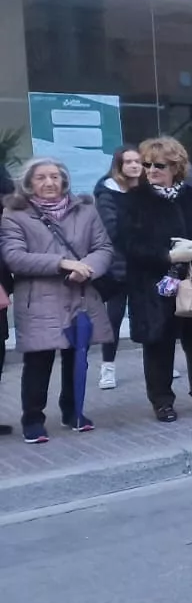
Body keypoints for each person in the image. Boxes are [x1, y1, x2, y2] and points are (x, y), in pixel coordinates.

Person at [1, 158, 116, 443]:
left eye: (55, 176)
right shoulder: (14, 215)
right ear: (29, 183)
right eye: (41, 177)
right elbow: (15, 257)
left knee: (76, 358)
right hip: (39, 299)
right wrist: (64, 264)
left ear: (64, 181)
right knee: (38, 361)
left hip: (80, 294)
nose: (49, 182)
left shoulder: (86, 211)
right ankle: (33, 419)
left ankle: (73, 411)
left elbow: (103, 247)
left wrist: (87, 267)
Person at [118, 137, 192, 423]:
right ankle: (162, 401)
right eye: (147, 165)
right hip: (154, 285)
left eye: (159, 165)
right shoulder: (134, 199)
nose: (151, 170)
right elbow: (128, 243)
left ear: (176, 167)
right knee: (158, 345)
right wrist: (167, 256)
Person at [93, 145, 140, 390]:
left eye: (137, 161)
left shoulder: (146, 190)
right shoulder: (108, 191)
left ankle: (160, 363)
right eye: (128, 161)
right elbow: (111, 228)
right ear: (119, 165)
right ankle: (107, 367)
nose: (134, 165)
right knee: (114, 317)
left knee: (149, 315)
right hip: (119, 265)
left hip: (145, 265)